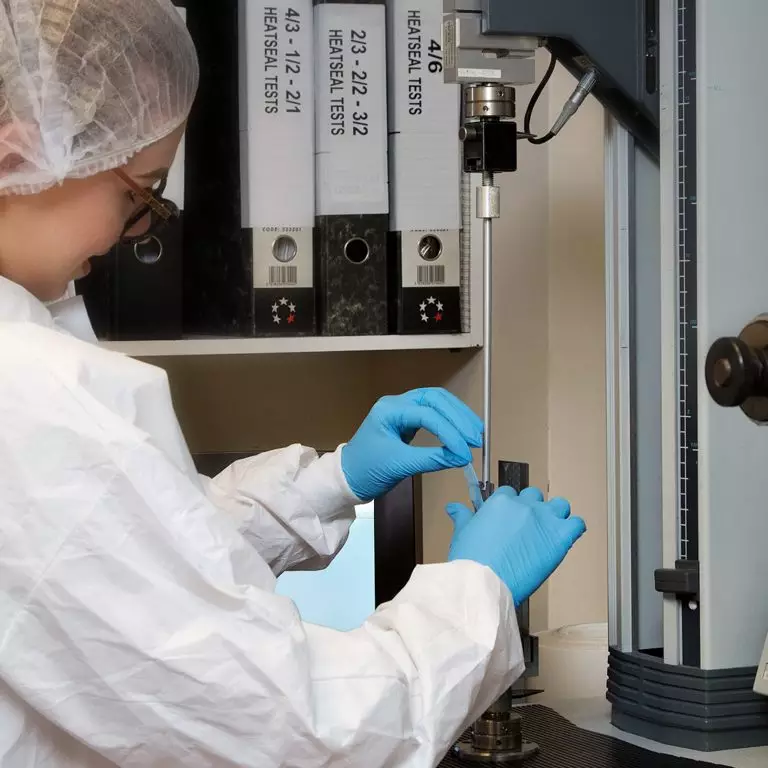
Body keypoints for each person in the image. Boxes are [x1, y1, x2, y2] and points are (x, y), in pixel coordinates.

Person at [0, 1, 587, 766]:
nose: (127, 235)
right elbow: (300, 730)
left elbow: (121, 562)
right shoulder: (32, 397)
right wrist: (477, 592)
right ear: (18, 149)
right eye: (138, 194)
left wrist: (333, 482)